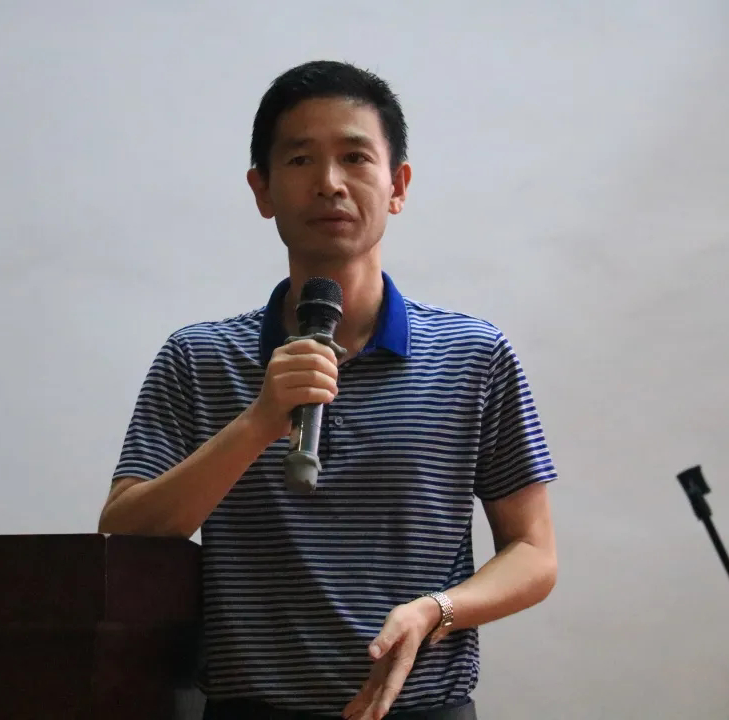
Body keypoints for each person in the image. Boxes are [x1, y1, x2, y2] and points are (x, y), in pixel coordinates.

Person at [98, 59, 559, 720]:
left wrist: (439, 610)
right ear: (262, 190)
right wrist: (259, 421)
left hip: (423, 709)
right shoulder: (198, 359)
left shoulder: (473, 355)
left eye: (355, 157)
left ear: (397, 185)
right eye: (300, 160)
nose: (330, 183)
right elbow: (123, 533)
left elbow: (534, 553)